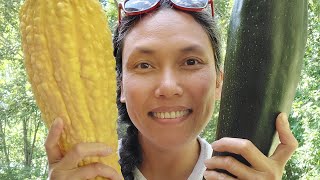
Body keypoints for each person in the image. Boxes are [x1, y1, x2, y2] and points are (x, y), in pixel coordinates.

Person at [45, 0, 298, 179]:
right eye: (144, 65)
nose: (168, 87)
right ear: (119, 85)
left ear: (220, 82)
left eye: (190, 62)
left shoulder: (246, 175)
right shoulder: (79, 173)